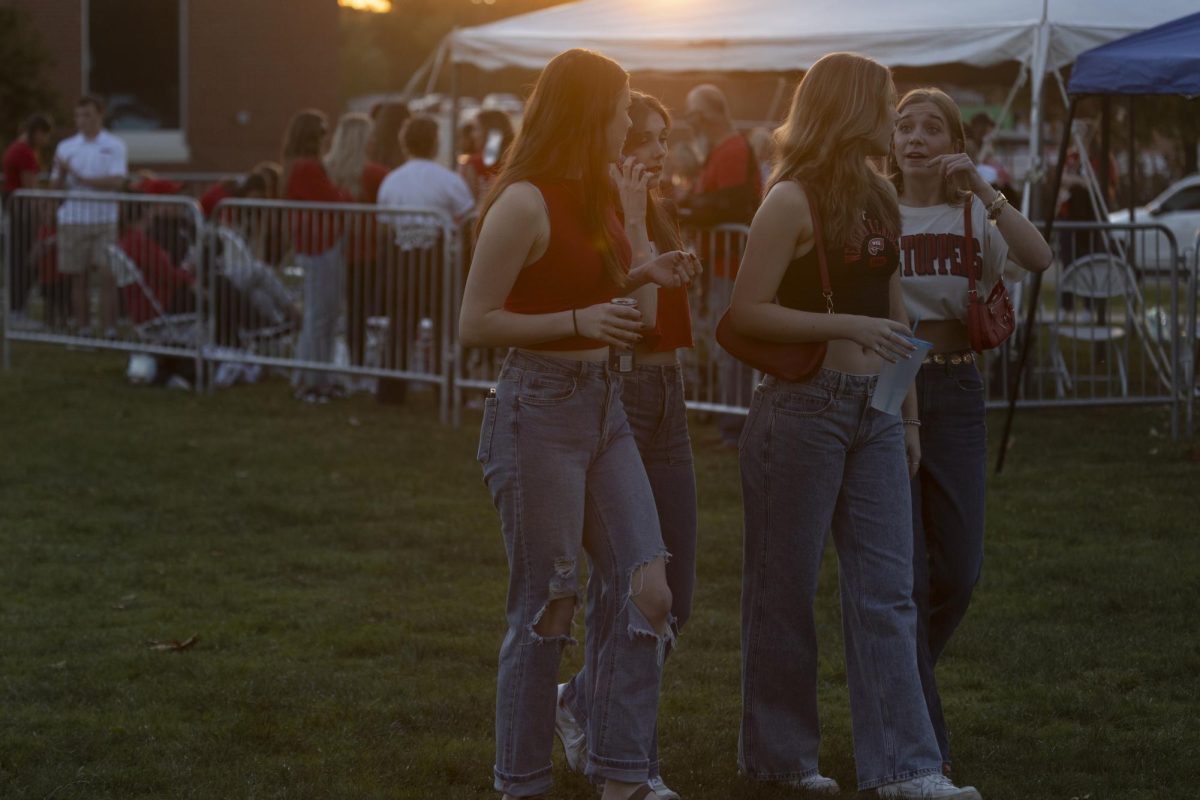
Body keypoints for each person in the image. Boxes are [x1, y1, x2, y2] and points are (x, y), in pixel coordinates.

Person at [728, 53, 981, 799]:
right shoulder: (790, 199)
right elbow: (745, 310)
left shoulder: (878, 195)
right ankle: (780, 758)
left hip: (874, 414)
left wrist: (905, 417)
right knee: (784, 588)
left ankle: (906, 767)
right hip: (801, 409)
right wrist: (844, 324)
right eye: (885, 101)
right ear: (850, 107)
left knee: (888, 591)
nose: (894, 113)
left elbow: (895, 310)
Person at [458, 48, 699, 800]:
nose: (631, 121)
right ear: (591, 110)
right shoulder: (523, 199)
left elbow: (597, 288)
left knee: (650, 592)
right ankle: (521, 780)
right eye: (624, 107)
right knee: (550, 607)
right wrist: (579, 318)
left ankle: (621, 775)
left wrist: (642, 270)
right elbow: (475, 322)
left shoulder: (597, 192)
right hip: (537, 410)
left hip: (605, 408)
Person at [889, 87, 1052, 776]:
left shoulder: (970, 212)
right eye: (905, 126)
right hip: (890, 384)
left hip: (956, 387)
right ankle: (918, 738)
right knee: (906, 572)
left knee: (959, 569)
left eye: (932, 127)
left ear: (954, 140)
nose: (916, 137)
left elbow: (1038, 258)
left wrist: (985, 191)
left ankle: (894, 674)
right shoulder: (874, 207)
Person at [555, 91, 701, 800]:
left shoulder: (652, 208)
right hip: (624, 398)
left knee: (679, 593)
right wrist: (639, 223)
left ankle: (581, 703)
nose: (654, 152)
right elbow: (639, 319)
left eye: (661, 139)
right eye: (640, 138)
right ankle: (630, 766)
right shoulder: (600, 214)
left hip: (667, 399)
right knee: (632, 590)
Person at [680, 83, 762, 447]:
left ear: (711, 113)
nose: (692, 121)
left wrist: (689, 207)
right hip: (721, 261)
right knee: (722, 344)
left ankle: (735, 426)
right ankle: (730, 421)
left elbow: (730, 204)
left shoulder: (731, 149)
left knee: (731, 345)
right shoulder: (721, 148)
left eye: (694, 113)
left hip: (732, 262)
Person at [282, 108, 351, 402]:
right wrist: (346, 193)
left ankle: (312, 375)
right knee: (321, 315)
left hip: (314, 244)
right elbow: (332, 198)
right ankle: (314, 379)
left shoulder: (296, 165)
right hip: (319, 245)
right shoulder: (306, 167)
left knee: (319, 314)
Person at [51, 94, 128, 334]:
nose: (82, 120)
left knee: (107, 275)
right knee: (78, 277)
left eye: (87, 115)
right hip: (73, 220)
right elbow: (55, 187)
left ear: (100, 115)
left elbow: (116, 180)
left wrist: (81, 178)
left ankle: (109, 328)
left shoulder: (114, 145)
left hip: (104, 220)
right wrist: (64, 174)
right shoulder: (66, 147)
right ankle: (84, 327)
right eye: (78, 115)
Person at [377, 114, 475, 228]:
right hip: (441, 244)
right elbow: (469, 216)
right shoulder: (450, 180)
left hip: (398, 244)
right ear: (435, 144)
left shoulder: (390, 181)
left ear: (404, 144)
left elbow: (383, 223)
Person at [3, 113, 52, 313]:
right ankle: (17, 308)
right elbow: (30, 189)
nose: (45, 140)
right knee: (26, 260)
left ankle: (17, 307)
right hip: (22, 214)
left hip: (14, 210)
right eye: (45, 135)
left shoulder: (16, 147)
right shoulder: (24, 152)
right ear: (37, 132)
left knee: (19, 259)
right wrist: (43, 215)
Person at [460, 108, 516, 201]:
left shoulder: (473, 163)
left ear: (488, 131)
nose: (472, 135)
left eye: (476, 129)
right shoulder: (516, 160)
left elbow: (467, 204)